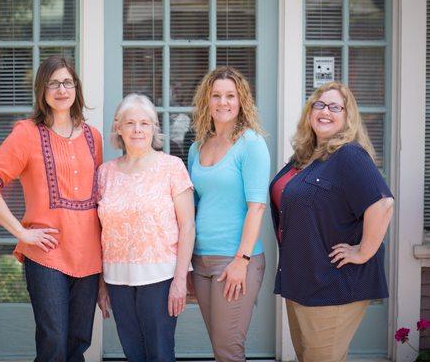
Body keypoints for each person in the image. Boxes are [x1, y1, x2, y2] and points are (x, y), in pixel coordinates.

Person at [0, 55, 103, 361]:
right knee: (53, 341)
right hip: (47, 255)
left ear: (76, 88)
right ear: (42, 91)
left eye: (67, 82)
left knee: (78, 342)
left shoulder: (92, 136)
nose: (61, 89)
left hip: (88, 255)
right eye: (52, 83)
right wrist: (22, 233)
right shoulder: (26, 133)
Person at [269, 81, 394, 362]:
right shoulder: (304, 158)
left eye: (335, 107)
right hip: (302, 280)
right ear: (310, 112)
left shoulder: (349, 155)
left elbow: (383, 204)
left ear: (347, 117)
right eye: (320, 105)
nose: (326, 111)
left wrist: (363, 251)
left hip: (332, 284)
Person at [96, 94, 195, 362]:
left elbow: (187, 226)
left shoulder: (171, 167)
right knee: (133, 354)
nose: (137, 129)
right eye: (130, 123)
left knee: (160, 354)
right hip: (118, 279)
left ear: (154, 128)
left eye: (144, 123)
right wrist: (102, 284)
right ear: (119, 127)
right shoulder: (105, 173)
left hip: (160, 278)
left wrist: (180, 280)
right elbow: (100, 232)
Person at [188, 66, 270, 362]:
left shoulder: (251, 144)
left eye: (230, 96)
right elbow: (194, 206)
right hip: (201, 261)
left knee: (229, 349)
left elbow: (257, 207)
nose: (223, 102)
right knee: (219, 346)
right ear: (207, 102)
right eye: (216, 95)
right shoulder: (197, 147)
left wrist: (241, 261)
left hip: (234, 260)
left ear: (241, 101)